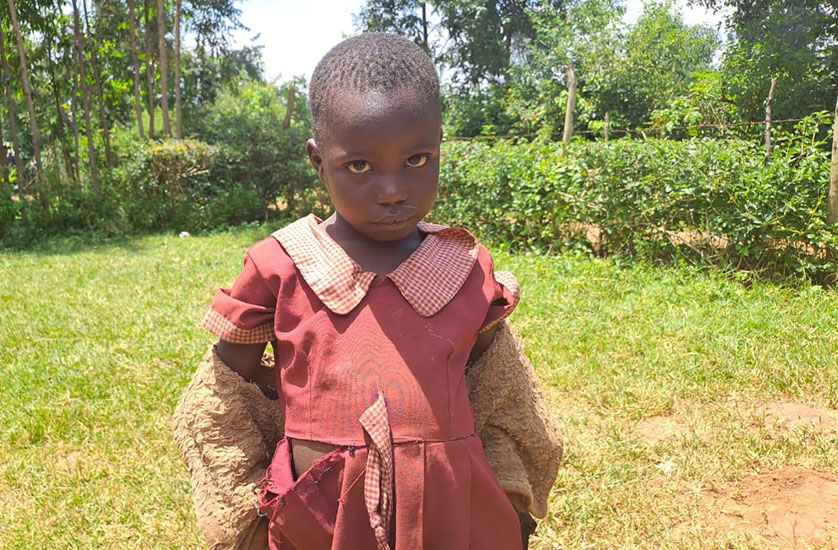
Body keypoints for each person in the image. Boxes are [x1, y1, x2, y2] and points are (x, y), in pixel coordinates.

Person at [175, 33, 561, 550]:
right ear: (318, 161)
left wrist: (510, 500)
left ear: (439, 146)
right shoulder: (281, 266)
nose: (393, 190)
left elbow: (504, 395)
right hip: (319, 522)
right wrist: (244, 514)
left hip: (454, 515)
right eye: (359, 166)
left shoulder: (465, 267)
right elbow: (222, 400)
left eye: (417, 159)